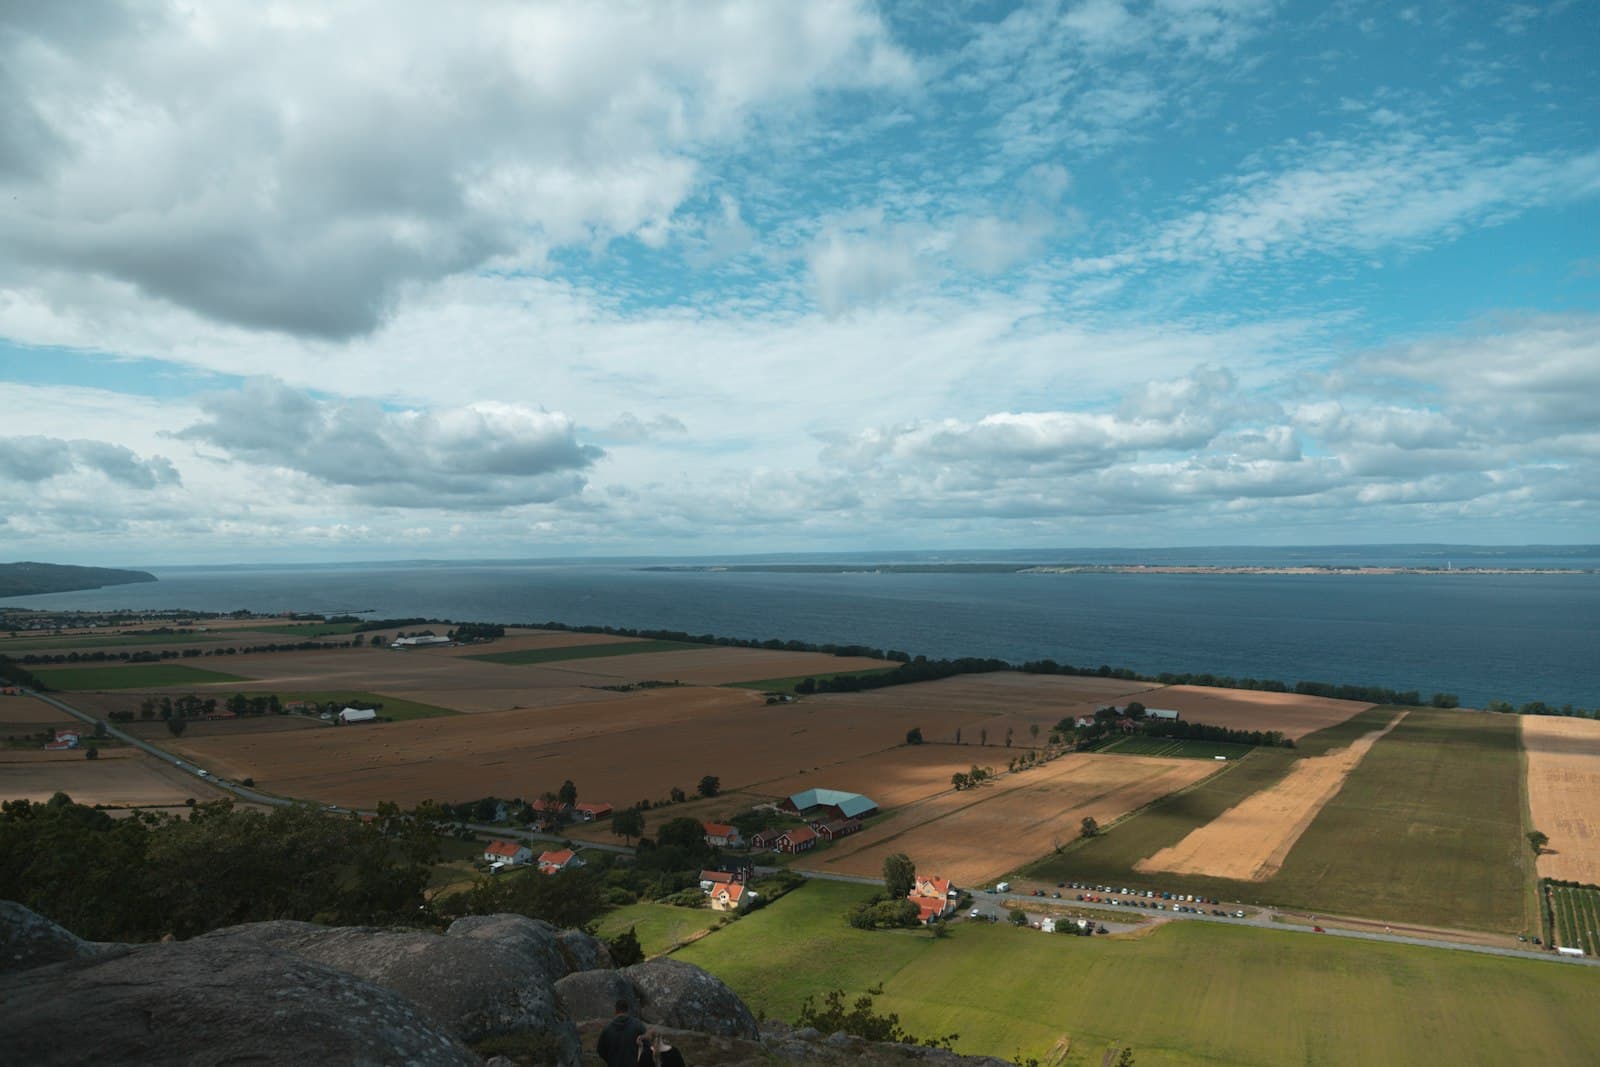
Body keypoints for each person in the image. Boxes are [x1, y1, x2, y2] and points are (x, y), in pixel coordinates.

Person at [596, 998, 647, 1067]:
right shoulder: (638, 1026)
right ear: (627, 1010)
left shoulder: (607, 1029)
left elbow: (600, 1050)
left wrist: (611, 1060)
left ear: (615, 1010)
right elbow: (647, 1045)